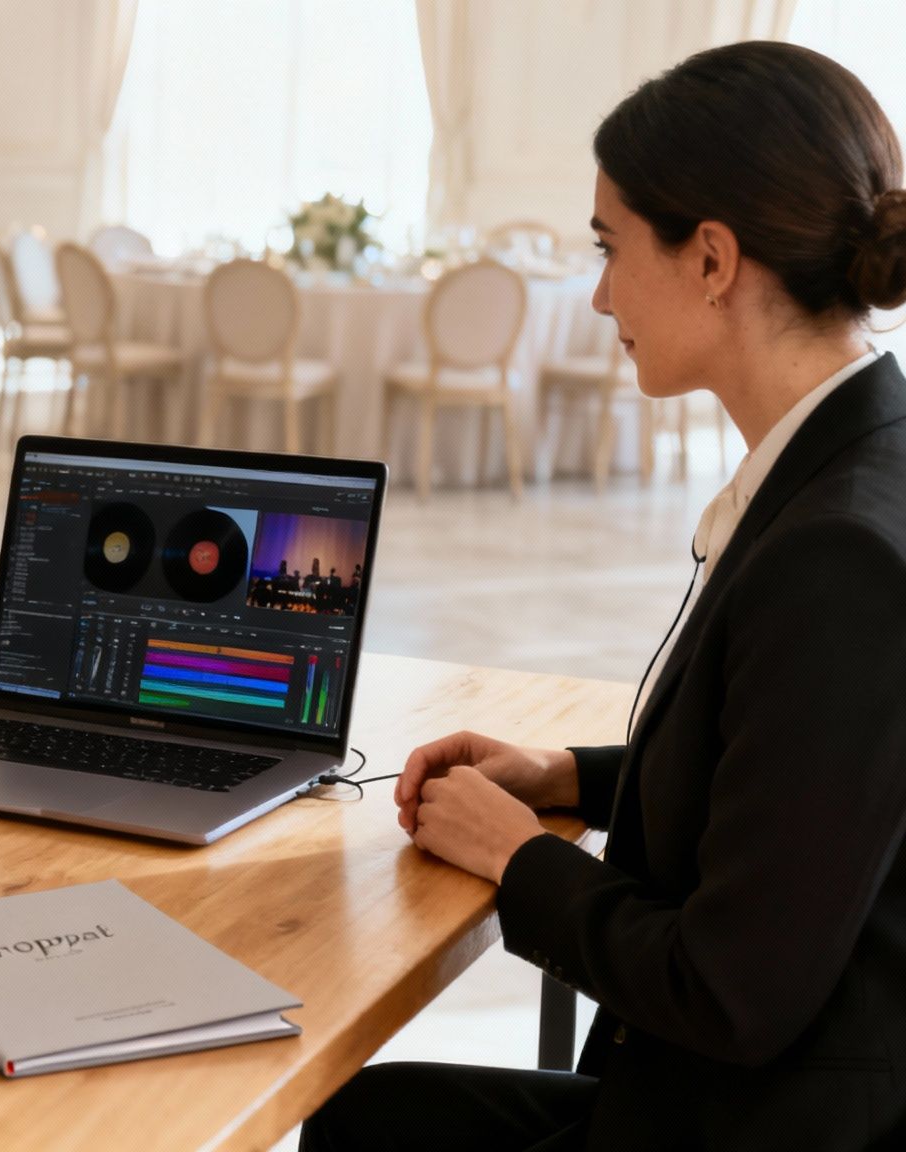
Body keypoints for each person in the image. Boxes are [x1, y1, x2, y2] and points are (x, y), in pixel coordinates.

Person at [302, 41, 906, 1150]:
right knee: (368, 1117)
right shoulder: (852, 458)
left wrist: (514, 858)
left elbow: (728, 992)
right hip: (751, 1092)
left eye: (610, 248)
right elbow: (783, 786)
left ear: (712, 260)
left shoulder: (839, 556)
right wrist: (556, 775)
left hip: (765, 1122)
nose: (594, 295)